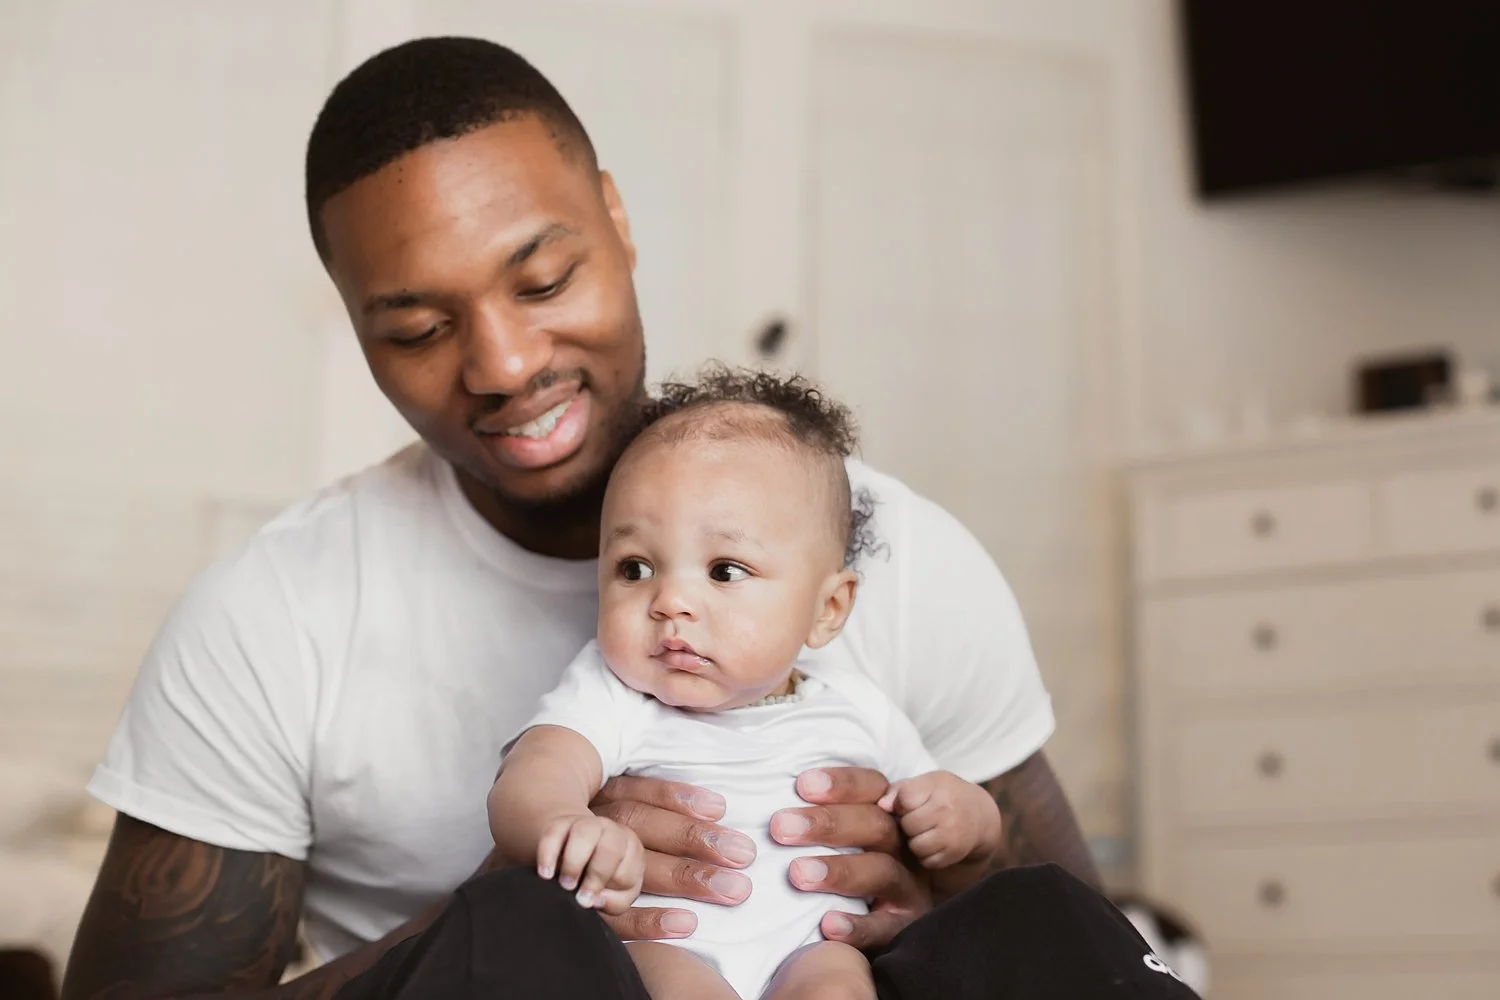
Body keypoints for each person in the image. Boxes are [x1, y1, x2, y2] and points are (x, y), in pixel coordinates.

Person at [60, 36, 1101, 1000]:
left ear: (618, 216)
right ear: (357, 327)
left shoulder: (895, 551)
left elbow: (1078, 930)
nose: (505, 365)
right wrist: (504, 909)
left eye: (545, 279)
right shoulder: (272, 619)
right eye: (421, 328)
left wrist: (938, 893)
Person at [491, 370, 1006, 1000]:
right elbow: (532, 773)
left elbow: (943, 827)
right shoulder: (615, 692)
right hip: (669, 945)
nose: (671, 600)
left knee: (840, 987)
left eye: (725, 570)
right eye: (635, 567)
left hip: (813, 947)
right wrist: (565, 821)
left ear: (828, 609)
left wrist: (967, 817)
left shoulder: (855, 707)